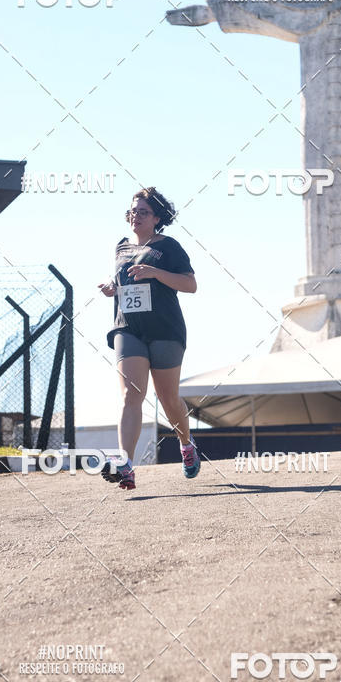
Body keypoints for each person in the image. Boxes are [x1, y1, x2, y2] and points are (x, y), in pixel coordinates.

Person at [98, 187, 200, 490]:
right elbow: (121, 280)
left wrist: (155, 272)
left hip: (165, 329)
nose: (136, 217)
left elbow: (190, 284)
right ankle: (126, 465)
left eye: (143, 212)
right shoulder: (121, 247)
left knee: (168, 399)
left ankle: (186, 444)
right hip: (128, 328)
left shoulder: (169, 246)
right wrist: (111, 288)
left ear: (157, 217)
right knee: (131, 395)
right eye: (133, 211)